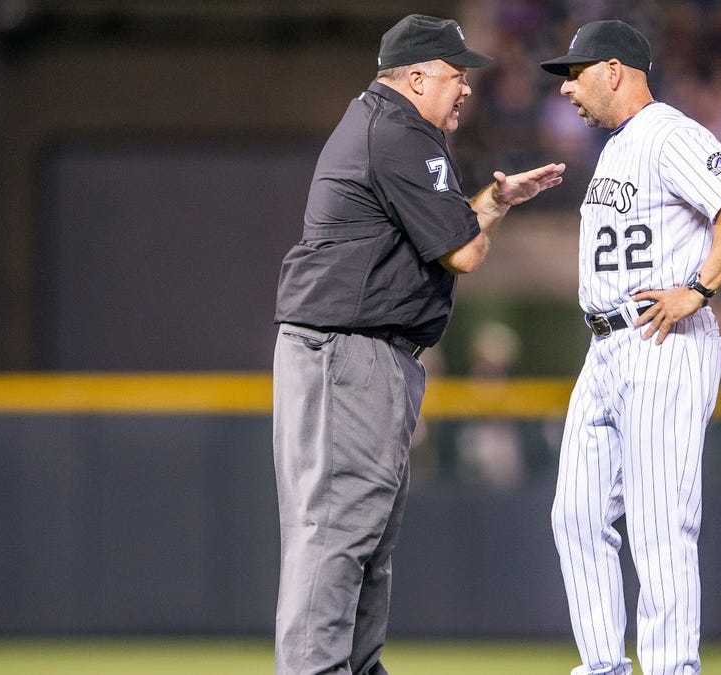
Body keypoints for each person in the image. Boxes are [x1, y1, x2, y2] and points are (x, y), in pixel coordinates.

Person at [272, 13, 565, 675]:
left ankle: (351, 665)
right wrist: (479, 216)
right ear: (416, 76)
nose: (465, 87)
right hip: (348, 351)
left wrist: (491, 202)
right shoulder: (401, 130)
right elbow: (462, 251)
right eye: (454, 74)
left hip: (352, 351)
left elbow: (449, 230)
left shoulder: (386, 126)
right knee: (339, 528)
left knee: (361, 532)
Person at [538, 20, 721, 675]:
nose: (566, 90)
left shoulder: (668, 132)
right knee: (576, 514)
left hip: (662, 339)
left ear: (615, 70)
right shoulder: (616, 148)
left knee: (658, 520)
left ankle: (671, 666)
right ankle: (605, 665)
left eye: (575, 74)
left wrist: (699, 288)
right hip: (606, 346)